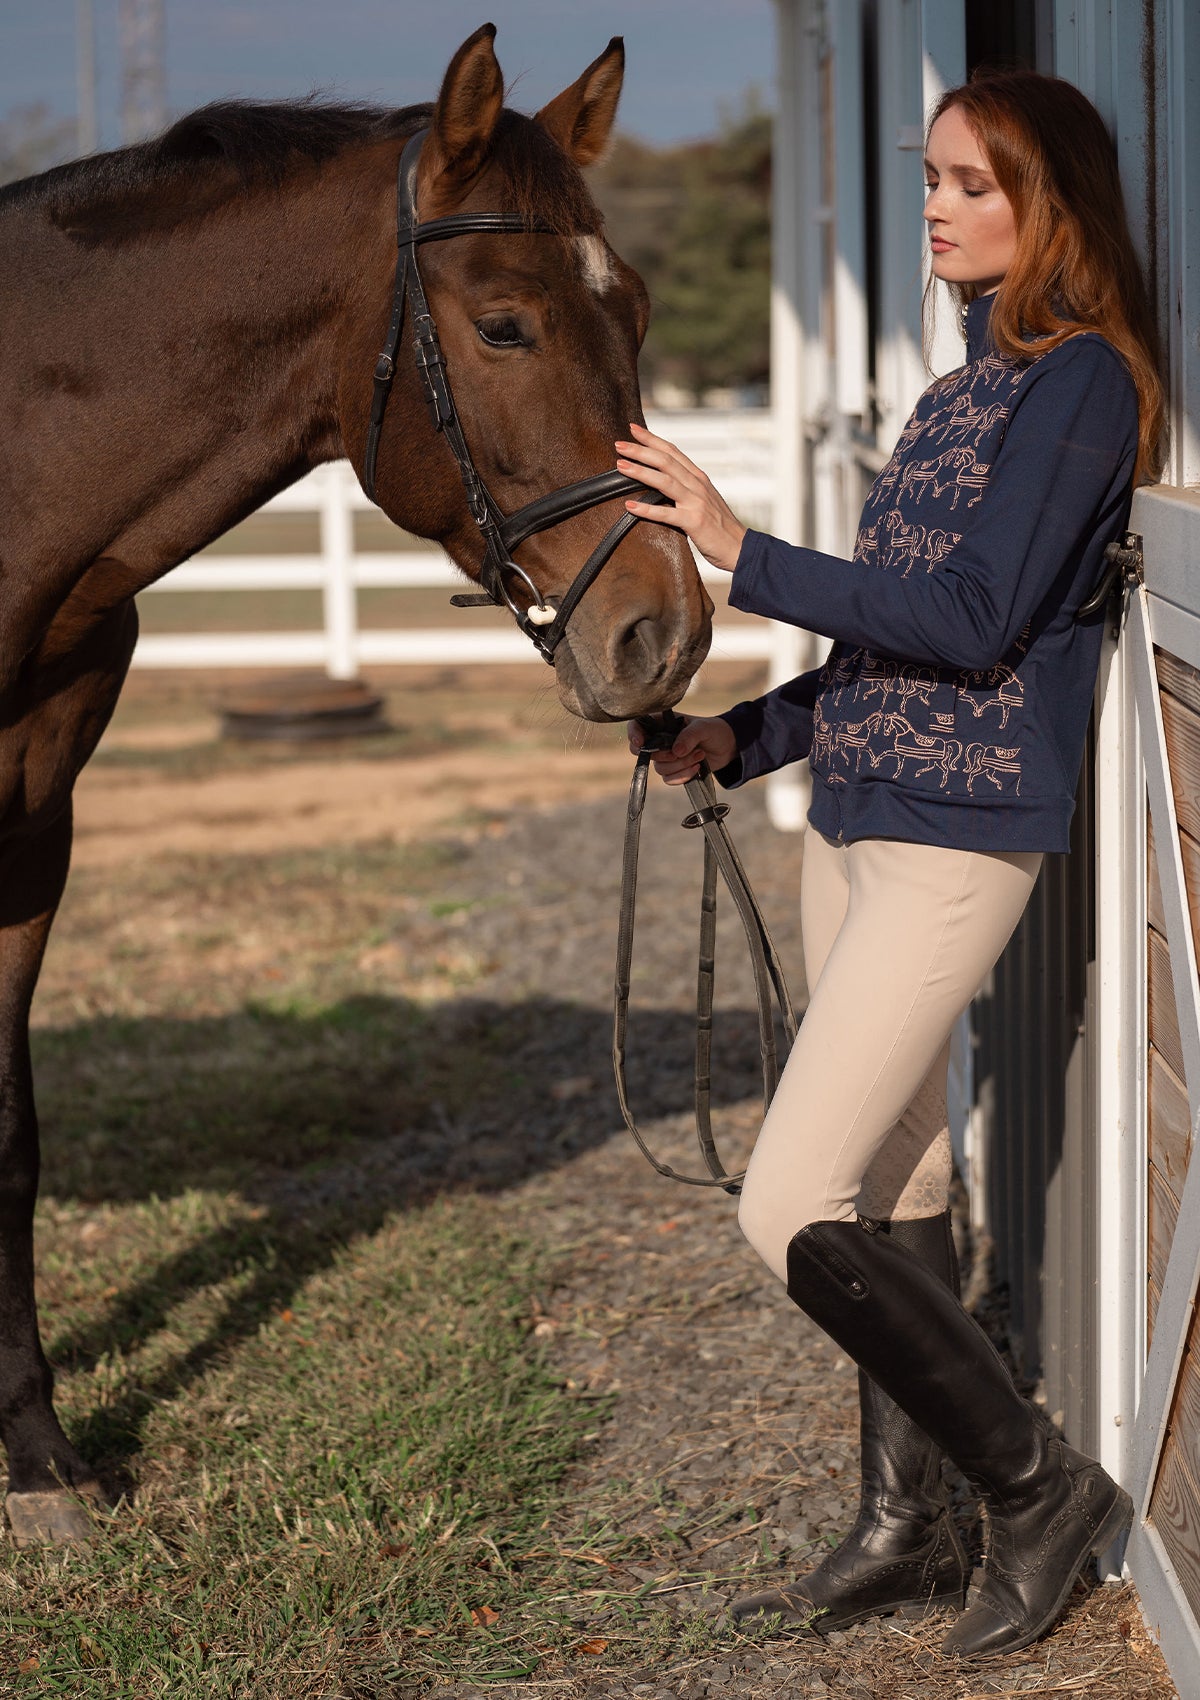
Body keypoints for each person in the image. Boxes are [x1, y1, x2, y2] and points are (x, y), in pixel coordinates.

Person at [615, 69, 1164, 1661]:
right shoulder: (957, 389)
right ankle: (902, 1516)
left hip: (956, 842)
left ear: (1046, 200)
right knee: (900, 1174)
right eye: (929, 179)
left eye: (964, 184)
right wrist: (750, 736)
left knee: (787, 1199)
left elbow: (983, 624)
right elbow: (893, 638)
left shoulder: (1080, 388)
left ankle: (1035, 1486)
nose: (930, 205)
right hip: (858, 818)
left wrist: (740, 547)